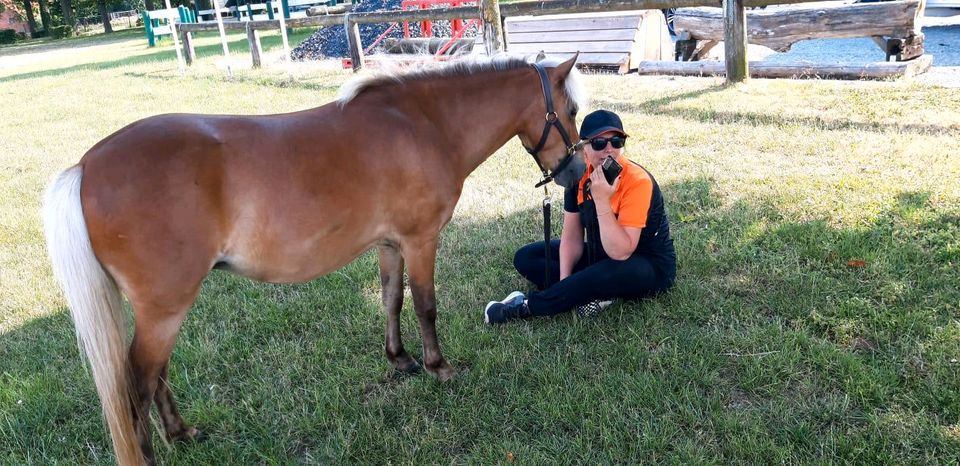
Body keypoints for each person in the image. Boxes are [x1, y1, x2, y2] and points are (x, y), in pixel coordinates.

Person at [484, 110, 676, 324]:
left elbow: (621, 252)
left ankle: (524, 307)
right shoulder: (579, 177)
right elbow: (572, 238)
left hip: (644, 263)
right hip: (600, 254)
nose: (609, 149)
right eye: (599, 143)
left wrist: (602, 200)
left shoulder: (637, 181)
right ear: (583, 147)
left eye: (616, 141)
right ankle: (589, 292)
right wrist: (564, 283)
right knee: (526, 257)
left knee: (602, 274)